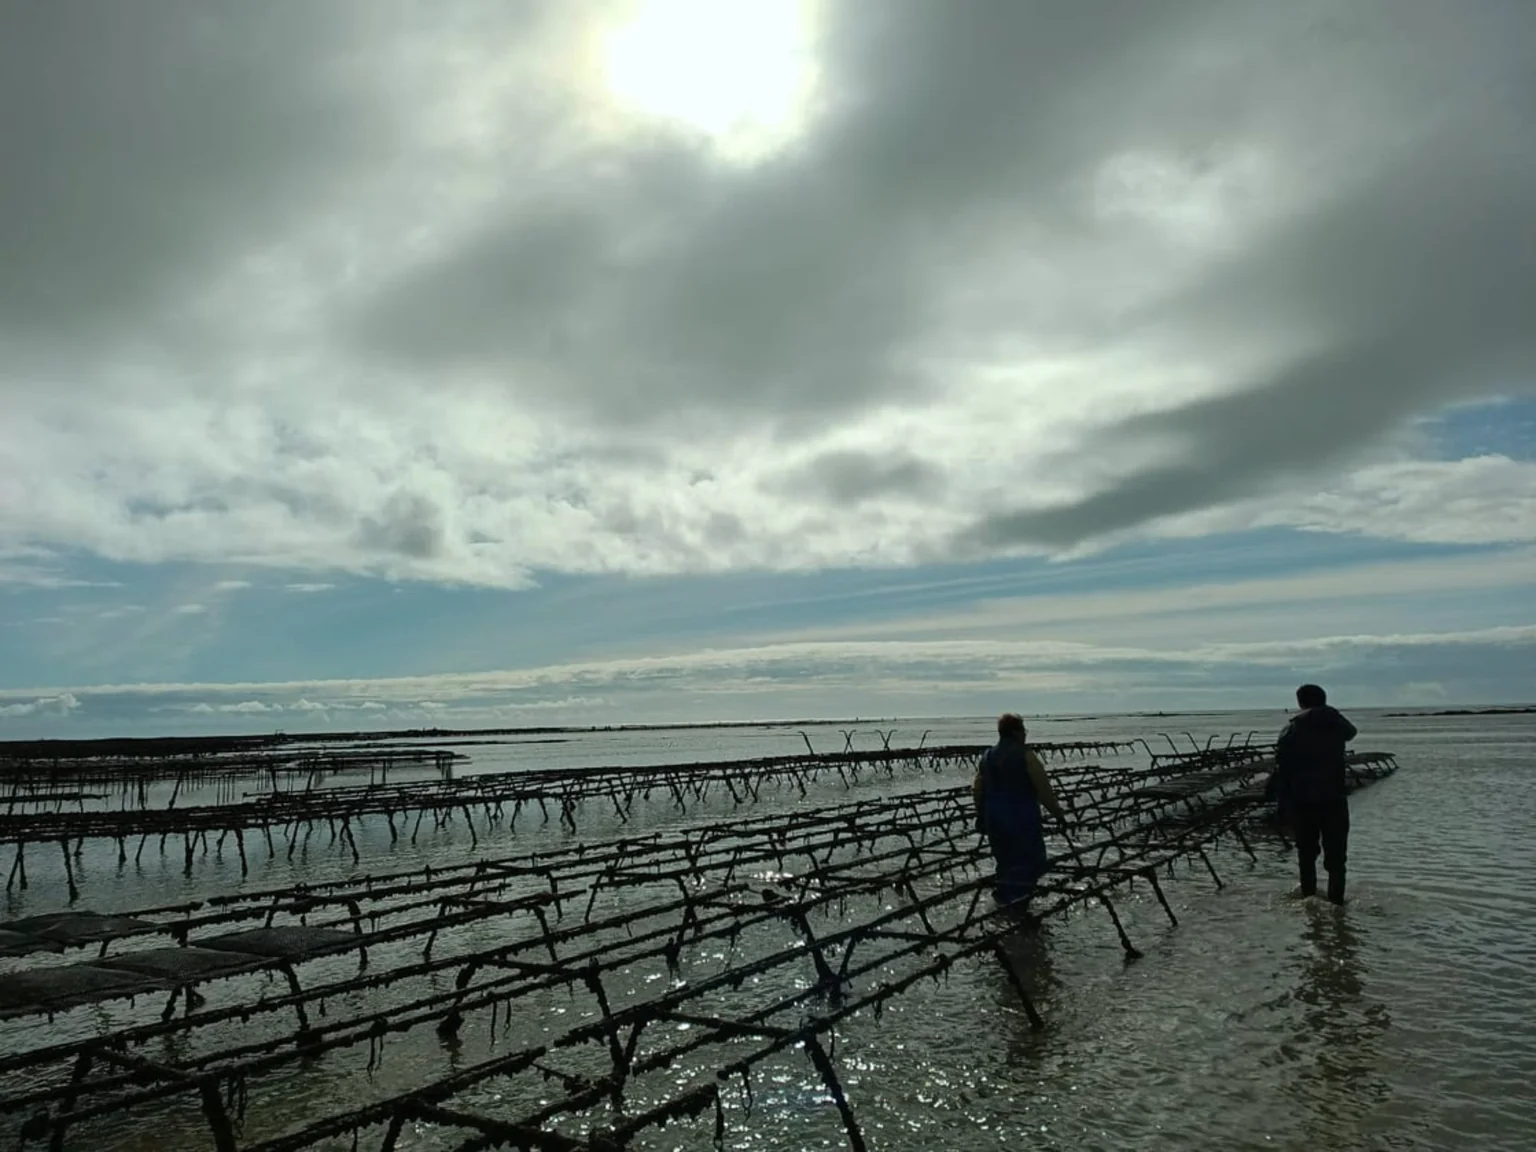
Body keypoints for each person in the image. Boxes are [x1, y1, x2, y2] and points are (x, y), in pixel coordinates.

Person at [1267, 684, 1358, 904]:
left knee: (1306, 855)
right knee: (1336, 858)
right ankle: (1338, 904)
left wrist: (1280, 804)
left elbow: (1282, 770)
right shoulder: (1334, 724)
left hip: (1303, 800)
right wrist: (1330, 712)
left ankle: (1309, 902)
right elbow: (1352, 732)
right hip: (1334, 798)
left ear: (1300, 702)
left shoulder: (1292, 729)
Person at [972, 713, 1069, 911]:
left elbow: (977, 789)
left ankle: (1003, 906)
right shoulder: (1026, 756)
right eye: (1023, 730)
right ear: (1016, 733)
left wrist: (982, 814)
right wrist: (1058, 814)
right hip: (1021, 820)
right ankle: (1017, 907)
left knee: (1005, 863)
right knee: (1032, 862)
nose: (1025, 735)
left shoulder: (987, 757)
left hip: (995, 820)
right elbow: (1044, 789)